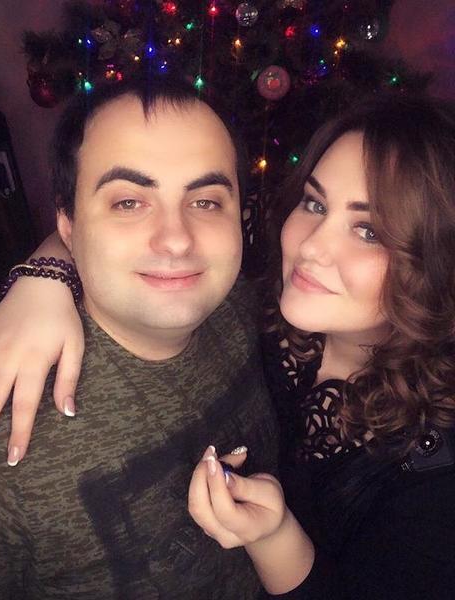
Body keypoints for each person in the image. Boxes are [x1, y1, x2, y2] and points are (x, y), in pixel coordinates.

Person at [0, 76, 279, 599]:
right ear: (67, 225)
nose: (176, 240)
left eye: (206, 202)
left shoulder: (248, 308)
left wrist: (45, 269)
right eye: (128, 203)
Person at [188, 94, 455, 599]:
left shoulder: (436, 479)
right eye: (314, 204)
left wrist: (274, 539)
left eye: (368, 230)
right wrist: (46, 277)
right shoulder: (265, 295)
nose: (309, 246)